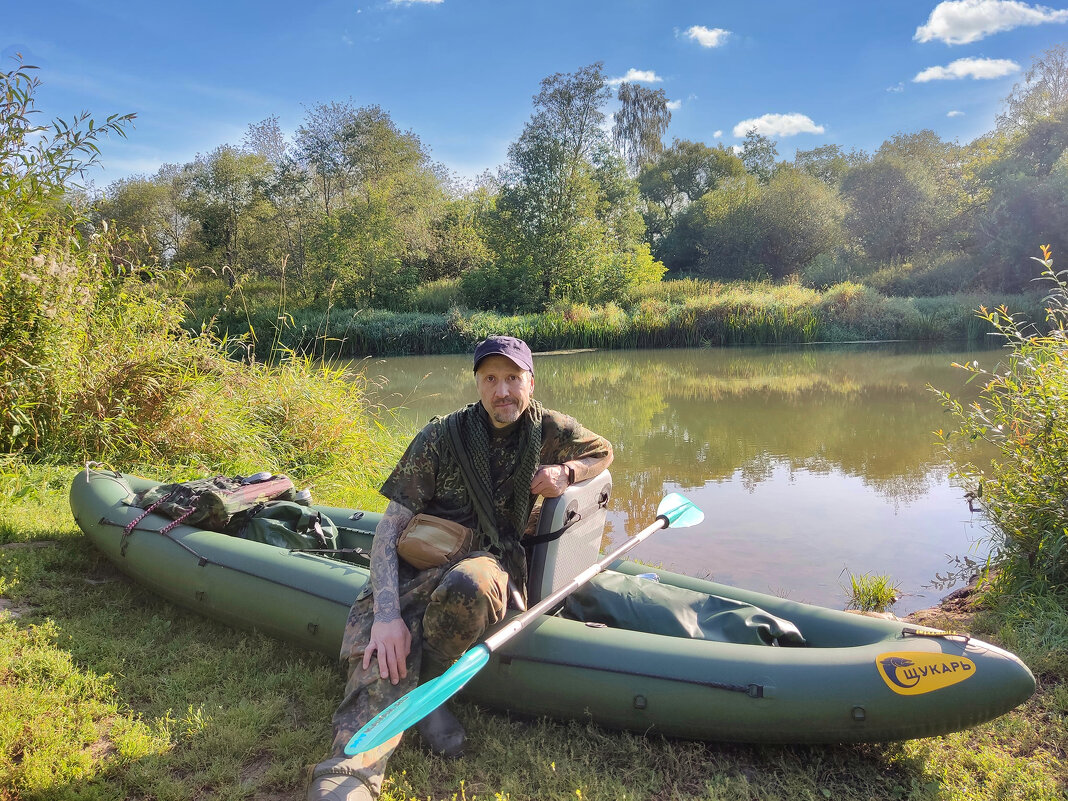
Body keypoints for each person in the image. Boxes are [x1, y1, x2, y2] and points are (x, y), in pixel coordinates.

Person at [308, 335, 614, 801]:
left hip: (490, 563)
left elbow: (603, 451)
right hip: (426, 560)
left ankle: (428, 691)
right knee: (386, 647)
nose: (503, 391)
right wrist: (387, 617)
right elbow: (390, 530)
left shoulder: (551, 429)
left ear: (531, 381)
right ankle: (351, 772)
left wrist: (566, 473)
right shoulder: (442, 436)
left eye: (512, 378)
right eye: (491, 379)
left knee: (470, 584)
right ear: (477, 383)